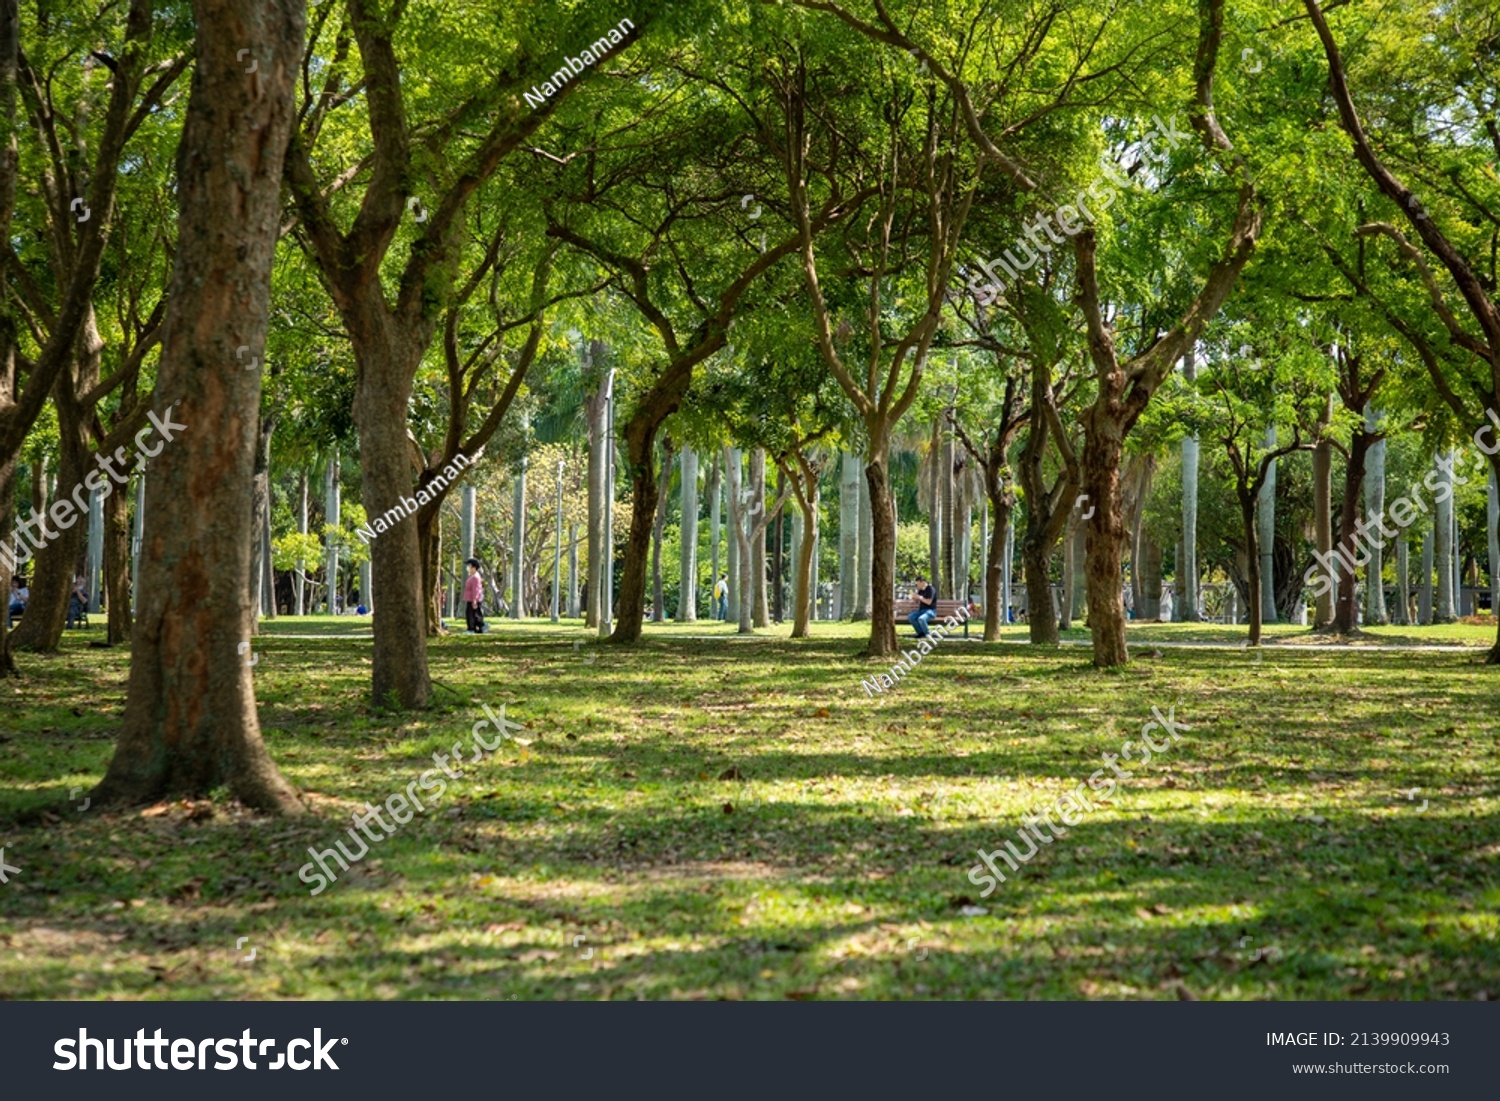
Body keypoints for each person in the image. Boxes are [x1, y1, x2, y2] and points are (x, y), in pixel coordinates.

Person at [463, 557, 486, 634]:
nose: (468, 568)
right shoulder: (473, 576)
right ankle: (477, 627)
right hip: (471, 599)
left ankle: (471, 629)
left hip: (473, 599)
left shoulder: (475, 577)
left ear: (474, 567)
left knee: (471, 615)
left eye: (469, 566)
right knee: (473, 614)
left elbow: (475, 590)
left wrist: (474, 600)